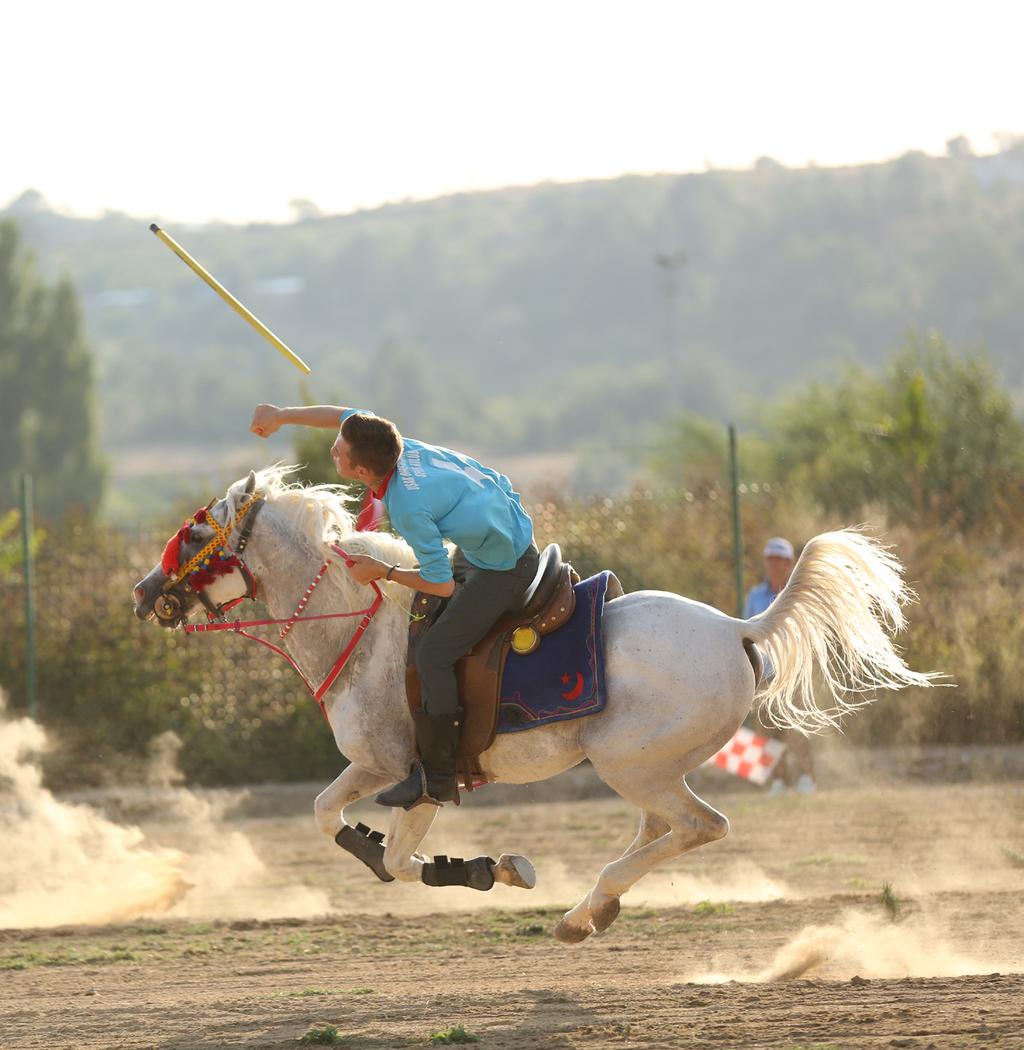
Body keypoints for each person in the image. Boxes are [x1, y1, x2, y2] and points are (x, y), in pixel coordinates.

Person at [250, 403, 539, 809]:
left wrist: (381, 571)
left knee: (435, 655)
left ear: (363, 473)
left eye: (339, 451)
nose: (334, 449)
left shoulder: (406, 506)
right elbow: (344, 416)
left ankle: (437, 775)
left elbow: (439, 585)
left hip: (503, 564)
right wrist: (281, 415)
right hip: (494, 536)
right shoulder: (397, 446)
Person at [744, 536, 816, 795]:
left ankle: (807, 778)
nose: (775, 564)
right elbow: (747, 634)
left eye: (781, 559)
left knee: (797, 729)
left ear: (790, 563)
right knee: (767, 732)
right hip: (765, 674)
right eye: (771, 559)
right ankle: (779, 781)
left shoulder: (799, 595)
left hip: (793, 673)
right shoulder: (755, 596)